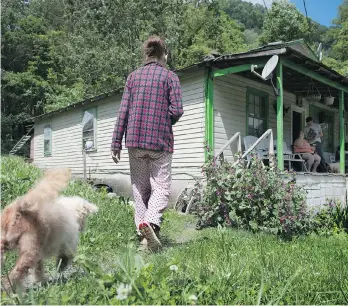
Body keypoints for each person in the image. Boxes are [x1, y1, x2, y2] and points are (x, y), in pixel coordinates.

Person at [110, 36, 184, 252]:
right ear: (164, 54)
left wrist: (116, 142)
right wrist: (164, 119)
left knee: (139, 188)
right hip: (160, 142)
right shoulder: (170, 77)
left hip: (134, 141)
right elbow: (177, 110)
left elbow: (123, 111)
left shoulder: (133, 77)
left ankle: (142, 233)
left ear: (147, 54)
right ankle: (150, 225)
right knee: (161, 187)